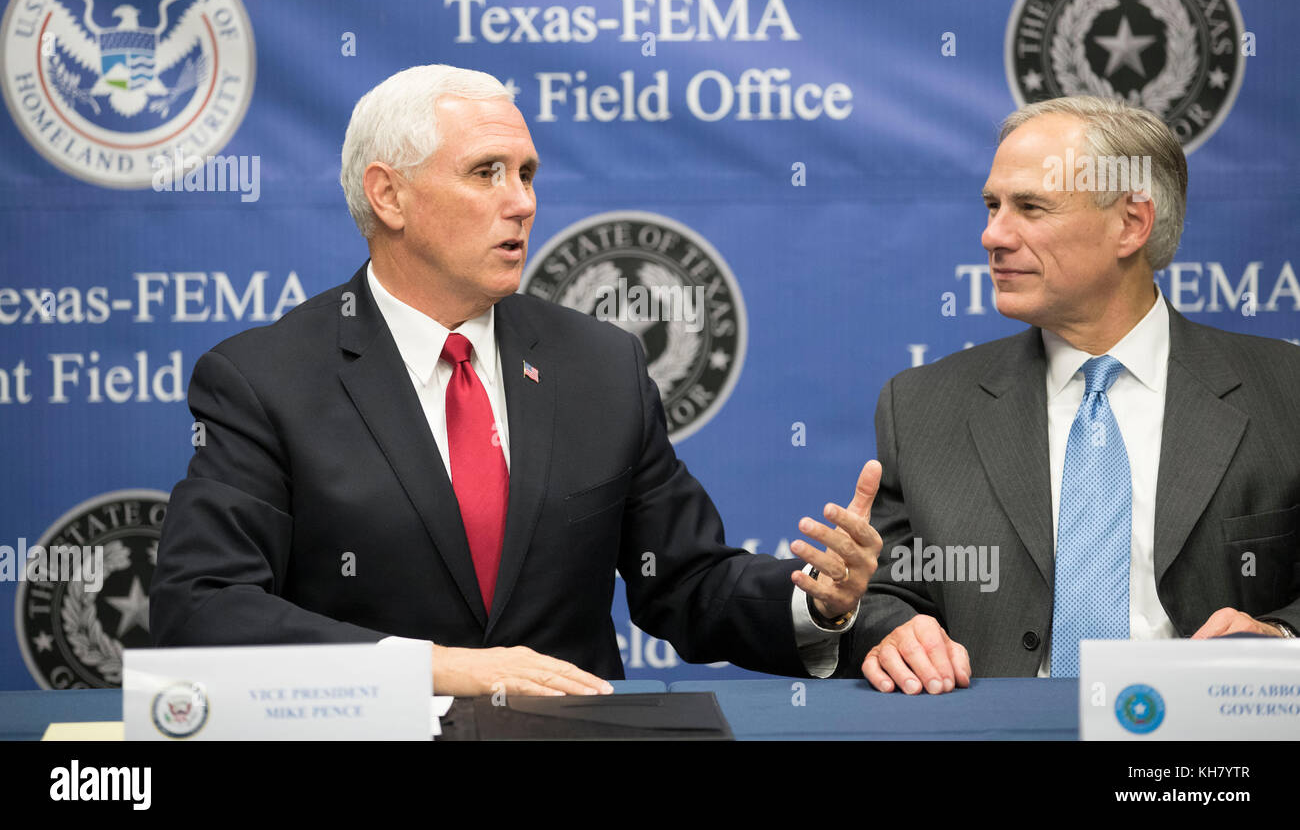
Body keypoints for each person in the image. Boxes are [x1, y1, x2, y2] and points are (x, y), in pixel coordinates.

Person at [151, 64, 882, 697]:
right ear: (388, 196)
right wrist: (436, 669)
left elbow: (685, 582)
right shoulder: (263, 379)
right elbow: (203, 609)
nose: (523, 201)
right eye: (486, 173)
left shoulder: (601, 365)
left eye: (527, 174)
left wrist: (814, 604)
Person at [850, 95, 1300, 695]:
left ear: (1131, 224)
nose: (993, 235)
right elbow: (888, 590)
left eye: (1031, 207)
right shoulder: (922, 405)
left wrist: (1280, 639)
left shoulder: (1286, 390)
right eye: (991, 205)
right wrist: (896, 630)